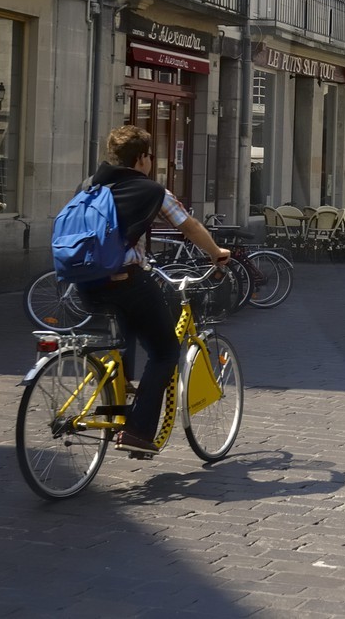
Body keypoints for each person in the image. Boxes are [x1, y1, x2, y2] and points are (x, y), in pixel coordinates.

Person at [78, 125, 230, 454]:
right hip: (127, 281)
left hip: (86, 282)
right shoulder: (152, 191)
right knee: (164, 352)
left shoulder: (89, 185)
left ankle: (120, 399)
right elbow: (189, 226)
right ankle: (138, 432)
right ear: (143, 158)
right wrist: (216, 253)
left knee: (126, 332)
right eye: (150, 155)